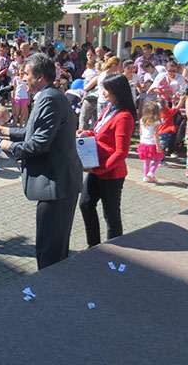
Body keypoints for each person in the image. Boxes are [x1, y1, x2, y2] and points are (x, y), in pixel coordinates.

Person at [0, 54, 83, 269]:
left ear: (40, 77)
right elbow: (34, 131)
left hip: (56, 184)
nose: (22, 78)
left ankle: (48, 295)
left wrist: (8, 147)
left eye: (26, 74)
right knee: (54, 247)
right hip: (59, 183)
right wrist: (5, 130)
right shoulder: (48, 95)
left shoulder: (49, 99)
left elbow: (40, 144)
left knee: (49, 250)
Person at [77, 74, 136, 247]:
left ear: (117, 92)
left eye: (106, 89)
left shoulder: (124, 116)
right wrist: (87, 134)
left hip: (110, 173)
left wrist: (100, 170)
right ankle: (93, 246)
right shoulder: (109, 109)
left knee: (111, 215)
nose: (103, 93)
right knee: (86, 205)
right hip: (96, 167)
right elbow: (101, 134)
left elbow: (121, 152)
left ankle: (114, 249)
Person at [137, 101, 164, 182]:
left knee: (146, 161)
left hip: (143, 142)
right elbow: (155, 134)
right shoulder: (156, 122)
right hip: (152, 143)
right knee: (157, 160)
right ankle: (151, 173)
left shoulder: (142, 120)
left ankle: (145, 176)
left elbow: (140, 132)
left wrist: (141, 140)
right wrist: (158, 145)